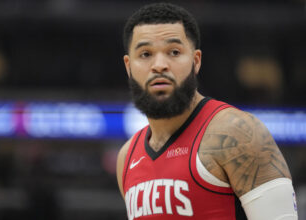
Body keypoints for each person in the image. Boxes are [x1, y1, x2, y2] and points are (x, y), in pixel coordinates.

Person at [116, 3, 298, 220]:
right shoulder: (127, 157)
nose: (160, 65)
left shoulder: (237, 133)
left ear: (196, 61)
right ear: (128, 67)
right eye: (145, 54)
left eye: (174, 52)